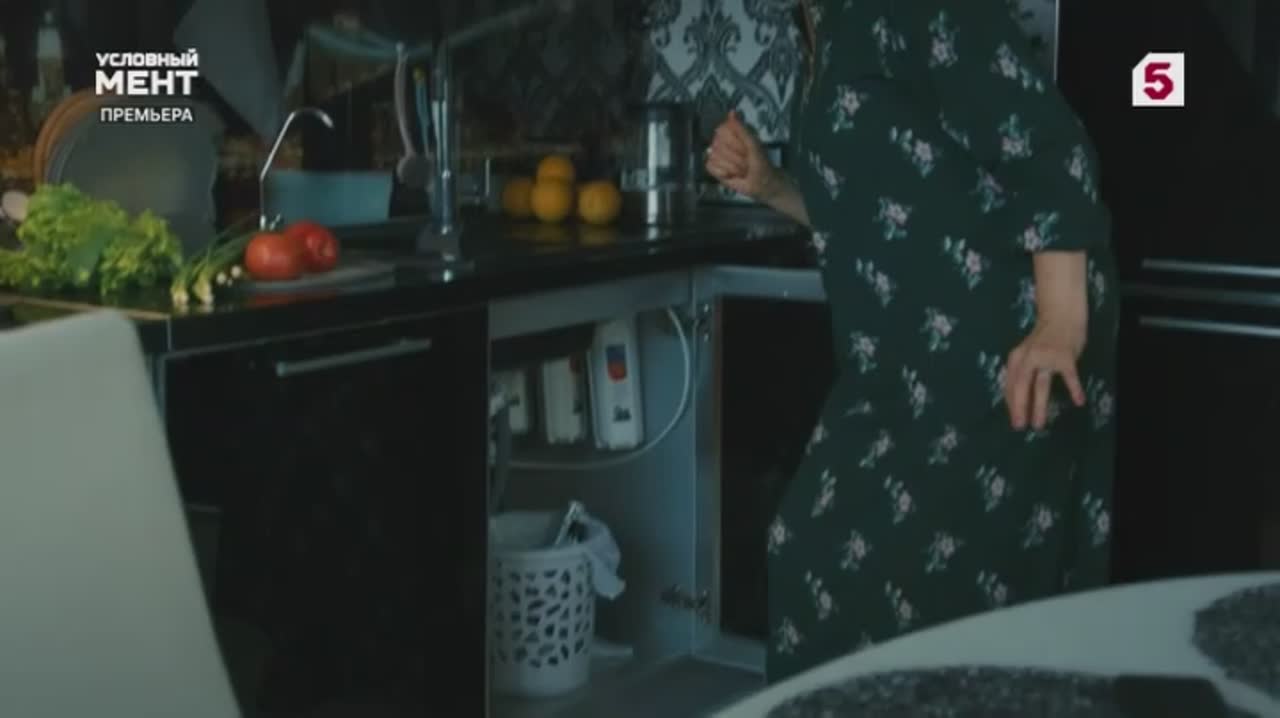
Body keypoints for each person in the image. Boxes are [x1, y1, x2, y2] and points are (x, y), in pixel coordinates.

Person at [706, 0, 1118, 683]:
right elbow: (876, 202)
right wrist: (772, 187)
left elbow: (1051, 147)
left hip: (999, 359)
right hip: (899, 368)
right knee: (819, 562)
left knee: (906, 599)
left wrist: (1060, 321)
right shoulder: (818, 25)